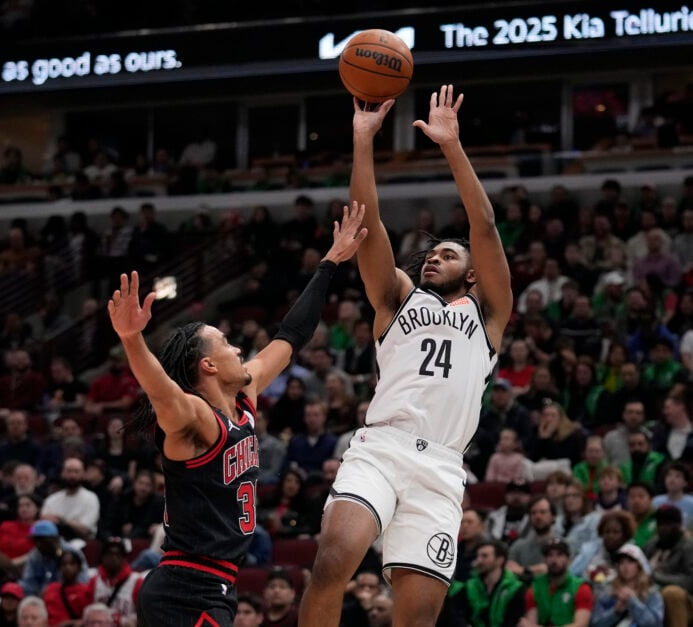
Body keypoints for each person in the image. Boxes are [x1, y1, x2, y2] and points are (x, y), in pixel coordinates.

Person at [299, 86, 513, 627]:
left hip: (442, 467)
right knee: (332, 561)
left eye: (449, 253)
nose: (434, 257)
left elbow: (484, 225)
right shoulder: (396, 298)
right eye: (431, 253)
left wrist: (451, 146)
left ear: (471, 273)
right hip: (382, 448)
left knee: (417, 620)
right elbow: (365, 221)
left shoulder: (488, 315)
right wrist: (363, 140)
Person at [109, 203, 366, 626]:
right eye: (226, 343)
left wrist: (329, 263)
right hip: (185, 589)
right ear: (207, 366)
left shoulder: (245, 397)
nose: (239, 349)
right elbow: (161, 392)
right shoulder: (195, 419)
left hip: (218, 585)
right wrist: (132, 340)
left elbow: (293, 334)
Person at [449, 540, 526, 627]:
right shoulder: (470, 586)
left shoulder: (515, 588)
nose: (479, 560)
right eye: (478, 556)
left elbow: (513, 621)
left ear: (500, 560)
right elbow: (457, 614)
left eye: (484, 556)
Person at [520, 539, 593, 627]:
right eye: (550, 555)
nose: (554, 560)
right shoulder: (536, 587)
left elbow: (581, 624)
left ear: (568, 560)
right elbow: (531, 622)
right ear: (545, 560)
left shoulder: (581, 588)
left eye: (559, 555)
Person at [589, 543, 663, 627]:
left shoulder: (652, 594)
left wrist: (633, 602)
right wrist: (616, 611)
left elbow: (654, 624)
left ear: (639, 565)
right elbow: (595, 624)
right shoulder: (609, 593)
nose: (625, 566)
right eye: (621, 562)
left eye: (630, 562)